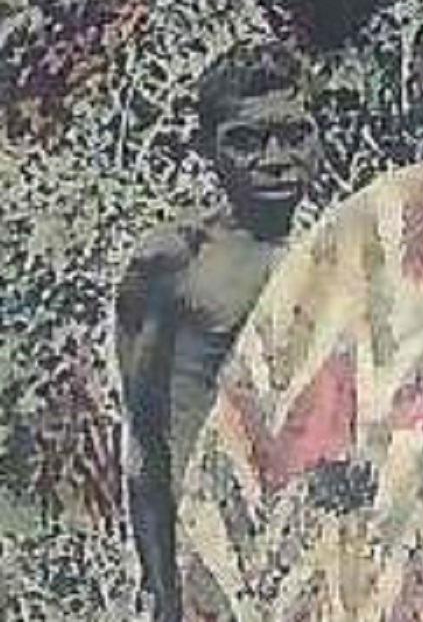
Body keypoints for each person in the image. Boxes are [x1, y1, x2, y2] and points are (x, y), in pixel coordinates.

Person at [117, 41, 321, 621]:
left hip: (306, 553)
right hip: (206, 554)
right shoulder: (173, 262)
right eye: (246, 140)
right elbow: (146, 441)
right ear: (207, 148)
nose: (275, 157)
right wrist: (163, 586)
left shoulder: (338, 263)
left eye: (294, 134)